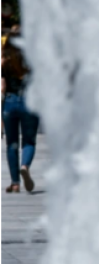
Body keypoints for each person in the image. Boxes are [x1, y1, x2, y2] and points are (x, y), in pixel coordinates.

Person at [1, 28, 40, 193]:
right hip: (30, 102)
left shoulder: (4, 62)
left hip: (10, 102)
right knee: (29, 141)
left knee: (11, 144)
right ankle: (25, 166)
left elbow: (2, 88)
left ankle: (15, 183)